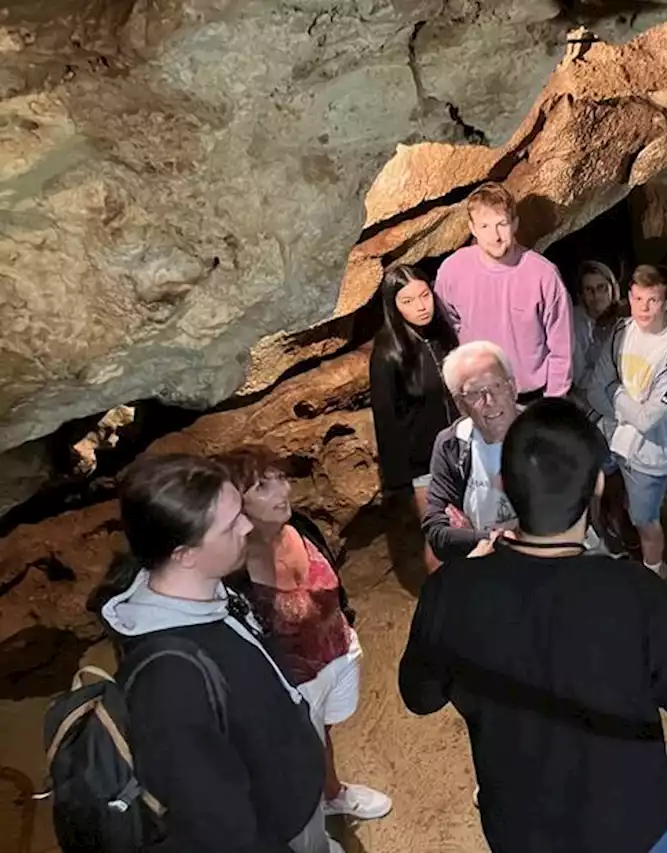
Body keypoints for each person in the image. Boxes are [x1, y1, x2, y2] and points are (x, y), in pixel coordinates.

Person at [398, 399, 667, 853]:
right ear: (599, 485)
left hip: (521, 828)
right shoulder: (636, 593)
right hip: (630, 829)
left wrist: (470, 576)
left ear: (506, 484)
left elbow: (420, 696)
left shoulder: (452, 590)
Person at [92, 454, 334, 853]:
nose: (247, 525)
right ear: (185, 553)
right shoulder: (170, 683)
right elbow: (218, 828)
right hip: (279, 830)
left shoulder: (214, 587)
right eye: (230, 524)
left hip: (293, 797)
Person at [217, 447, 391, 823]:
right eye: (263, 486)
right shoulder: (231, 572)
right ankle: (307, 823)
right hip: (288, 686)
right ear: (234, 503)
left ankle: (330, 794)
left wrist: (345, 620)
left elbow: (334, 587)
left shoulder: (302, 527)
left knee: (321, 734)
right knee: (288, 757)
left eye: (280, 479)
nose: (283, 491)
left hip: (333, 653)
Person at [421, 341, 611, 562]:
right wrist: (499, 538)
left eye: (497, 387)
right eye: (474, 393)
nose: (489, 401)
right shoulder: (452, 445)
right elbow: (438, 533)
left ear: (513, 388)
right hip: (491, 566)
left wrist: (477, 536)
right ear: (460, 404)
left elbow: (574, 510)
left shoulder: (548, 433)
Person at [586, 265, 667, 575]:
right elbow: (595, 391)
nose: (643, 308)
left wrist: (616, 392)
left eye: (652, 300)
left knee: (645, 520)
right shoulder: (622, 331)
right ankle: (608, 535)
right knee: (598, 484)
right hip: (613, 436)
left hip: (650, 453)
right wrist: (626, 401)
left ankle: (654, 573)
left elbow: (648, 417)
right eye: (637, 298)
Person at [434, 182, 573, 402]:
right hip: (477, 396)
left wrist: (553, 402)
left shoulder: (543, 274)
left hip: (531, 398)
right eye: (485, 226)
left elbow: (561, 346)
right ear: (472, 228)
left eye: (502, 224)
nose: (495, 236)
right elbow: (446, 327)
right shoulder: (452, 271)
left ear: (515, 223)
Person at [369, 265, 459, 518]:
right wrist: (398, 480)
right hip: (424, 465)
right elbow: (386, 419)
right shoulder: (388, 352)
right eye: (407, 301)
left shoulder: (442, 336)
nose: (420, 306)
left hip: (460, 453)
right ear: (393, 306)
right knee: (441, 539)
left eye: (424, 295)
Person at [571, 260, 622, 391]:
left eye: (601, 288)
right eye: (589, 290)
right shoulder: (574, 323)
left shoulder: (627, 316)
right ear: (582, 294)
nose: (596, 296)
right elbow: (580, 378)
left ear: (612, 288)